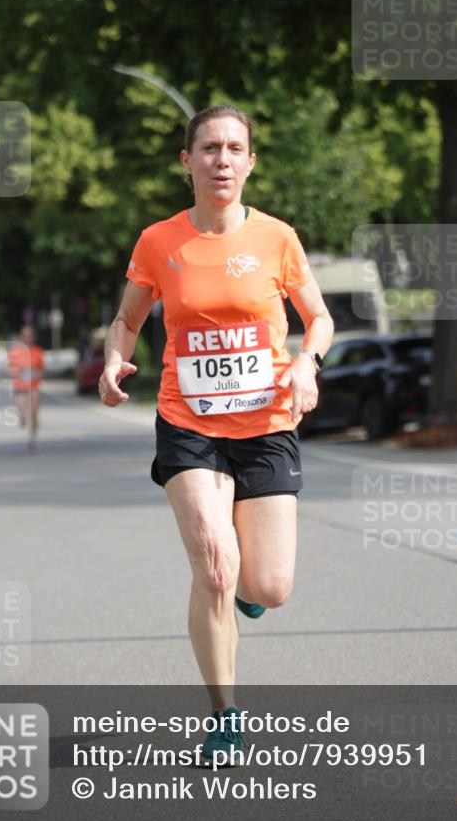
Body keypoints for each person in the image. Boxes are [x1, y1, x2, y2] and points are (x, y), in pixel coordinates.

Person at [98, 105, 334, 762]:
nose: (222, 159)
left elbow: (318, 319)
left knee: (269, 586)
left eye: (234, 148)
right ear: (187, 161)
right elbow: (126, 318)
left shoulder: (277, 239)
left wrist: (305, 361)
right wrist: (116, 357)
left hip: (265, 426)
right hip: (187, 421)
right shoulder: (158, 242)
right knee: (212, 558)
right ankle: (225, 714)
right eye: (208, 148)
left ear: (250, 162)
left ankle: (245, 592)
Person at [8, 325, 44, 453]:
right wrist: (18, 373)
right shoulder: (15, 352)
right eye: (25, 336)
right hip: (20, 388)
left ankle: (32, 439)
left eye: (30, 335)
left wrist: (35, 374)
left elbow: (41, 371)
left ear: (33, 337)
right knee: (22, 418)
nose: (28, 338)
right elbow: (10, 370)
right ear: (21, 337)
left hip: (33, 387)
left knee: (34, 413)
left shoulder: (38, 351)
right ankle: (23, 420)